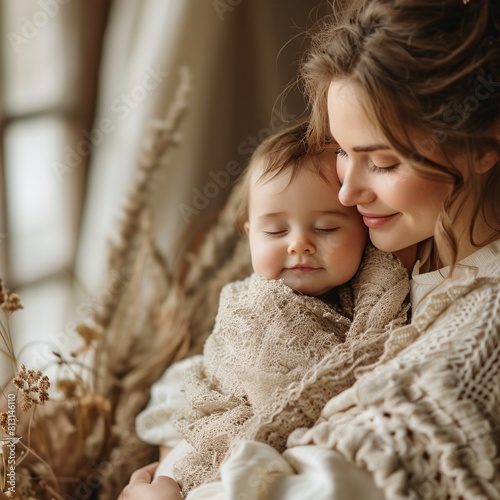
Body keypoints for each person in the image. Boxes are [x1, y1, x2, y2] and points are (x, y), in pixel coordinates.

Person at [121, 0, 500, 497]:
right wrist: (177, 454)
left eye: (382, 162)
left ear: (482, 146)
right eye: (343, 152)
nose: (347, 194)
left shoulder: (479, 332)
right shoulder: (386, 251)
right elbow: (219, 367)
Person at [131, 121, 410, 495]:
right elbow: (221, 382)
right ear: (250, 235)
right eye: (276, 232)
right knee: (167, 484)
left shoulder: (375, 294)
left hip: (281, 460)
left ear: (365, 229)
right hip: (217, 435)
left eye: (327, 228)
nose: (299, 245)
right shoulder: (254, 307)